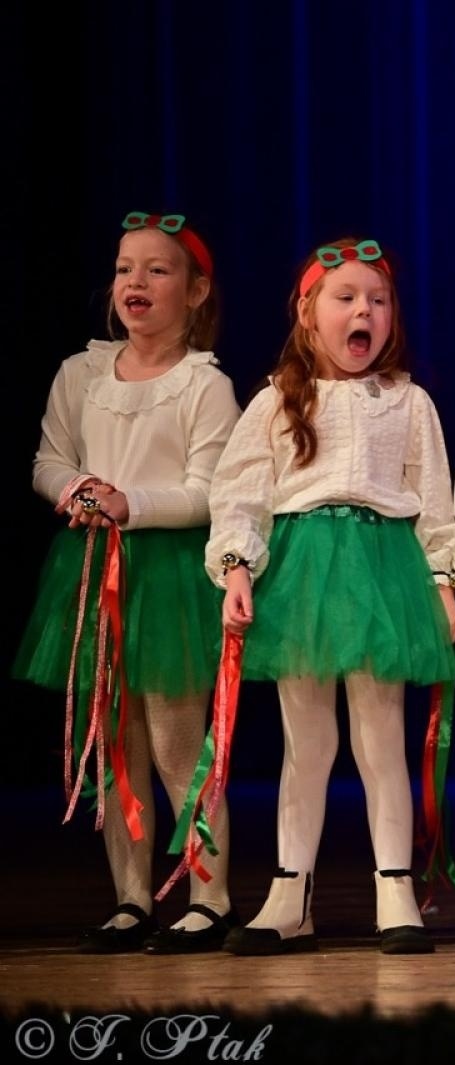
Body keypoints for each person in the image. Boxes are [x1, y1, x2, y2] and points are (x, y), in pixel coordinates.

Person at [208, 237, 455, 956]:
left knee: (380, 737)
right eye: (346, 297)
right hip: (303, 576)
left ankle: (395, 887)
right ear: (307, 312)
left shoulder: (409, 401)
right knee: (307, 740)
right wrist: (236, 568)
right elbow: (242, 496)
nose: (365, 311)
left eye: (378, 300)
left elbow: (434, 504)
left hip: (383, 573)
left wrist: (445, 585)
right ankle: (292, 890)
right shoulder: (275, 399)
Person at [17, 211, 239, 954]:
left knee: (179, 744)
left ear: (197, 289)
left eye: (157, 269)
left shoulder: (203, 385)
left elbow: (213, 489)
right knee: (113, 743)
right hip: (91, 573)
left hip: (168, 574)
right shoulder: (80, 372)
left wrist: (130, 502)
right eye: (123, 268)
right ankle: (131, 896)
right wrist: (78, 486)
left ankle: (208, 892)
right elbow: (47, 458)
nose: (134, 282)